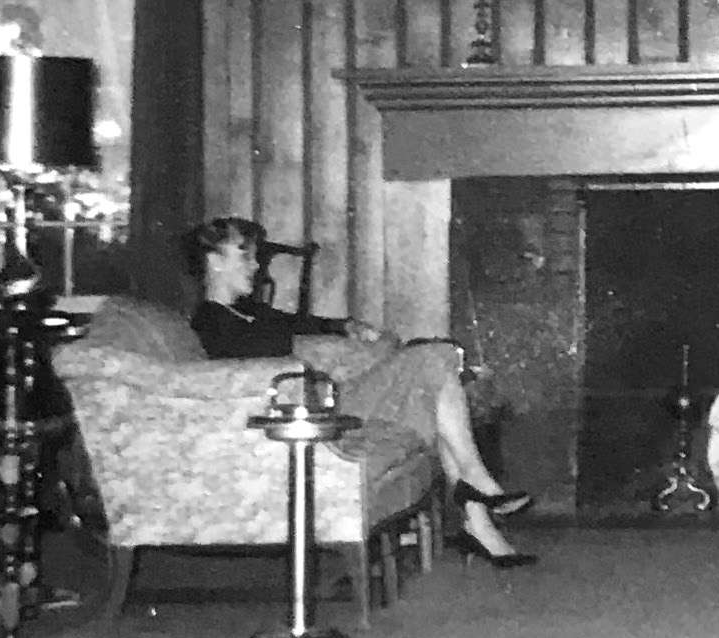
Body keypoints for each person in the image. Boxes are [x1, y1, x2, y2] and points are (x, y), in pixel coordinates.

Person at [179, 215, 536, 569]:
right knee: (436, 358)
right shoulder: (211, 320)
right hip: (315, 414)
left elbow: (299, 323)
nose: (256, 266)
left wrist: (345, 326)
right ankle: (477, 485)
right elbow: (254, 369)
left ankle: (480, 521)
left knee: (437, 384)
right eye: (245, 256)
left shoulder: (246, 312)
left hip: (327, 400)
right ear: (214, 261)